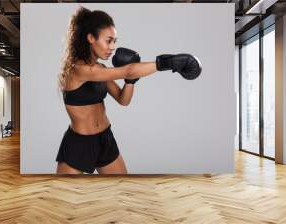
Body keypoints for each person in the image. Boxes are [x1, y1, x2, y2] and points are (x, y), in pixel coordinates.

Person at [56, 6, 201, 175]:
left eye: (114, 41)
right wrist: (168, 63)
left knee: (123, 189)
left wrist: (130, 81)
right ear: (90, 38)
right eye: (108, 40)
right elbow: (128, 69)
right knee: (64, 196)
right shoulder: (78, 70)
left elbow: (123, 99)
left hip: (105, 138)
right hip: (80, 143)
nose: (112, 47)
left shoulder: (100, 68)